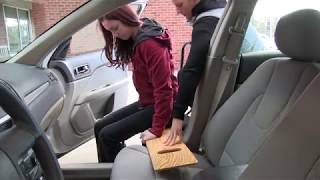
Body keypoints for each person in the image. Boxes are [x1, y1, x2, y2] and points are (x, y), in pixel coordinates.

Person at [94, 5, 178, 162]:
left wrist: (157, 129)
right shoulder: (139, 35)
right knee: (100, 127)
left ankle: (115, 171)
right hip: (148, 103)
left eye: (115, 28)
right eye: (110, 32)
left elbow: (165, 90)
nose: (115, 35)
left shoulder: (151, 45)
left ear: (126, 18)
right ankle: (116, 166)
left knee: (107, 136)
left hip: (164, 106)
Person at [164, 0, 227, 145]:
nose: (178, 11)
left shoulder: (208, 20)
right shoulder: (222, 12)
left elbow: (192, 69)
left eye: (179, 4)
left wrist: (177, 117)